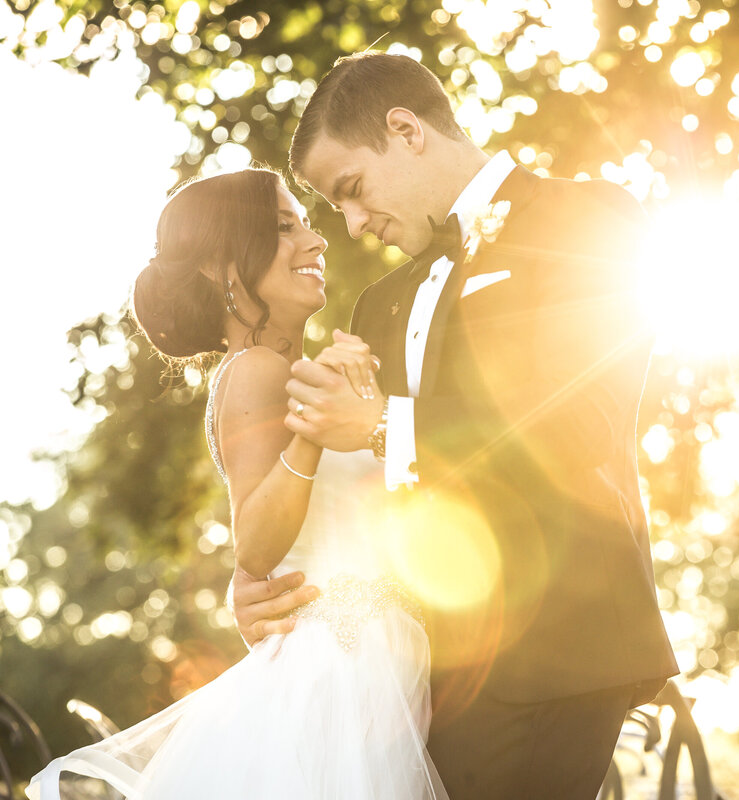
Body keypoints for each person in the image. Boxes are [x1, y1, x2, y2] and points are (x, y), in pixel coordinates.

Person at [230, 52, 679, 798]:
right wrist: (269, 587)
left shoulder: (587, 215)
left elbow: (581, 426)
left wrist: (381, 427)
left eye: (352, 189)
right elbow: (365, 492)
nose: (352, 222)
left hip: (557, 646)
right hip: (416, 671)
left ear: (406, 131)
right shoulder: (378, 304)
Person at [27, 168, 447, 800]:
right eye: (283, 227)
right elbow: (255, 546)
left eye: (306, 223)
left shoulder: (297, 371)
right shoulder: (254, 370)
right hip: (339, 671)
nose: (316, 240)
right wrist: (313, 426)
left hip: (383, 658)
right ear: (220, 267)